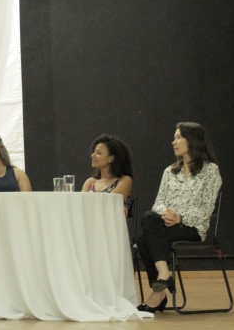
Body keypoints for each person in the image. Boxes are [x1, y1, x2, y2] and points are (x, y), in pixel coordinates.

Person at [136, 122, 222, 313]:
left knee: (145, 240)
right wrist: (167, 214)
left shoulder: (210, 171)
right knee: (150, 217)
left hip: (192, 228)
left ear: (192, 140)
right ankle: (164, 276)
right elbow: (158, 203)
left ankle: (159, 293)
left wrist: (180, 217)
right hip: (166, 224)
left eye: (178, 137)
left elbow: (207, 209)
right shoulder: (170, 171)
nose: (173, 141)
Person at [81, 134, 134, 215]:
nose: (92, 155)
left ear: (111, 158)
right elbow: (81, 205)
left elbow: (111, 202)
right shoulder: (90, 182)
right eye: (93, 152)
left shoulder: (124, 180)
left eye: (98, 153)